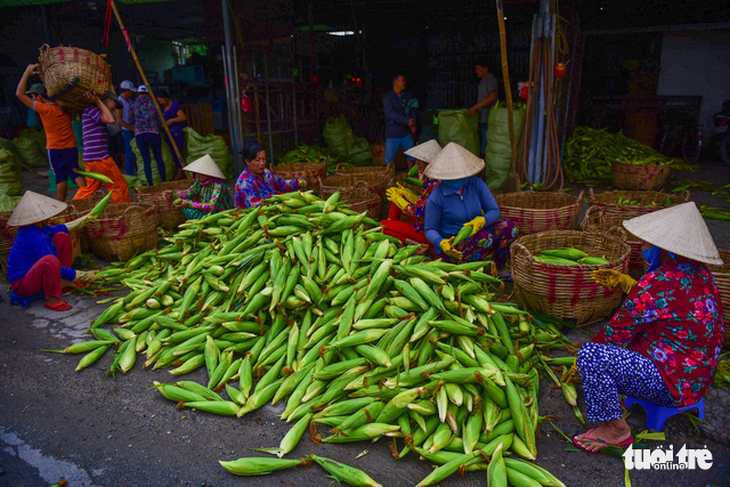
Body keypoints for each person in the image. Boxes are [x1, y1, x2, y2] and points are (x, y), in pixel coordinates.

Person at [573, 202, 725, 454]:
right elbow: (668, 308)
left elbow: (614, 333)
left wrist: (581, 363)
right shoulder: (701, 274)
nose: (641, 248)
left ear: (664, 248)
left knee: (592, 356)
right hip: (698, 378)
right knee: (636, 336)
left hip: (673, 384)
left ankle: (616, 430)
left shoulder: (657, 282)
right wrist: (631, 286)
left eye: (645, 244)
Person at [423, 142, 517, 268]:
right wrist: (441, 242)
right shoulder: (436, 197)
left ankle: (498, 266)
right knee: (484, 238)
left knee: (509, 227)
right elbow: (430, 229)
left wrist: (483, 220)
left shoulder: (476, 184)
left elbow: (494, 211)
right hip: (454, 244)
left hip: (480, 235)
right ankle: (464, 268)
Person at [6, 191, 98, 311]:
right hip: (22, 284)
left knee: (61, 236)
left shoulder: (33, 227)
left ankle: (63, 281)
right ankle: (51, 299)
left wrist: (80, 222)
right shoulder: (38, 238)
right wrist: (81, 276)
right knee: (50, 260)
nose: (49, 218)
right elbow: (53, 265)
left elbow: (54, 230)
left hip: (33, 274)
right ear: (38, 219)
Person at [15, 64, 85, 202]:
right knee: (75, 173)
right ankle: (88, 197)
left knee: (60, 178)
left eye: (34, 96)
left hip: (55, 149)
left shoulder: (43, 109)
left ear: (40, 96)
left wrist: (26, 73)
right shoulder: (64, 107)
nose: (33, 99)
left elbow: (19, 93)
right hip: (70, 147)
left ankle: (61, 204)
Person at [381, 139, 442, 248]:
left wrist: (400, 200)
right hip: (426, 221)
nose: (416, 163)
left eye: (420, 160)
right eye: (416, 160)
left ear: (430, 163)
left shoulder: (436, 183)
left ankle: (418, 244)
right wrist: (407, 196)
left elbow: (418, 213)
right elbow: (425, 204)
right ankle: (392, 228)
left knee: (383, 225)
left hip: (431, 232)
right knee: (399, 198)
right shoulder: (431, 179)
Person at [73, 91, 131, 204]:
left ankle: (74, 207)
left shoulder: (92, 110)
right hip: (100, 158)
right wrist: (98, 101)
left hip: (91, 159)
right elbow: (111, 120)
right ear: (106, 100)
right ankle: (124, 211)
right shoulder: (93, 109)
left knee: (90, 188)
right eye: (114, 105)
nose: (114, 109)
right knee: (119, 185)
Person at [235, 138, 307, 209]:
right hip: (255, 215)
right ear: (247, 161)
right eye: (258, 160)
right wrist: (277, 203)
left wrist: (298, 182)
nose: (262, 163)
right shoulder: (244, 183)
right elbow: (254, 206)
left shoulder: (266, 173)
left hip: (272, 209)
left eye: (264, 159)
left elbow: (282, 184)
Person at [167, 154, 233, 220]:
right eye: (197, 173)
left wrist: (189, 204)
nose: (199, 176)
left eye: (202, 173)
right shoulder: (199, 184)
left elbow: (212, 206)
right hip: (207, 213)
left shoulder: (218, 186)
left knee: (188, 204)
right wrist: (173, 193)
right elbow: (188, 193)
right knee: (184, 202)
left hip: (220, 214)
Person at [129, 84, 165, 186]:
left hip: (140, 134)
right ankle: (164, 181)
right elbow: (159, 119)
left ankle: (150, 183)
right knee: (159, 158)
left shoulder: (133, 104)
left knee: (146, 160)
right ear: (148, 93)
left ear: (138, 93)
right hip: (154, 133)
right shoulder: (154, 103)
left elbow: (131, 120)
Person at [383, 74, 416, 169]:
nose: (404, 83)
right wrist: (406, 121)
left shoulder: (407, 96)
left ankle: (410, 176)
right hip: (392, 133)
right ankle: (389, 178)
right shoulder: (388, 98)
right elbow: (390, 114)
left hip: (405, 132)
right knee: (389, 159)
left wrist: (413, 124)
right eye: (402, 80)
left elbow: (412, 110)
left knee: (411, 156)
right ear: (395, 82)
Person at [467, 59, 499, 156]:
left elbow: (492, 97)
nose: (476, 71)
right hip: (484, 119)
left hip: (489, 119)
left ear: (485, 68)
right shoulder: (483, 81)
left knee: (486, 146)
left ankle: (485, 169)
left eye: (478, 68)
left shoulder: (489, 79)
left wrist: (475, 107)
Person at [158, 90, 187, 179]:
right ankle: (177, 171)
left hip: (177, 132)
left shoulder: (174, 105)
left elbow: (183, 117)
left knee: (178, 152)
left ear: (166, 98)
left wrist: (172, 121)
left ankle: (180, 172)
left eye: (161, 100)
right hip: (169, 134)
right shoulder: (164, 108)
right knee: (173, 153)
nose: (160, 102)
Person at [116, 80, 137, 176]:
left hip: (132, 129)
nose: (132, 93)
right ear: (126, 91)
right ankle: (130, 174)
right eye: (131, 91)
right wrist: (132, 128)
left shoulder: (129, 100)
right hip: (127, 131)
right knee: (129, 152)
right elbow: (119, 120)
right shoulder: (120, 101)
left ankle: (136, 171)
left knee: (135, 152)